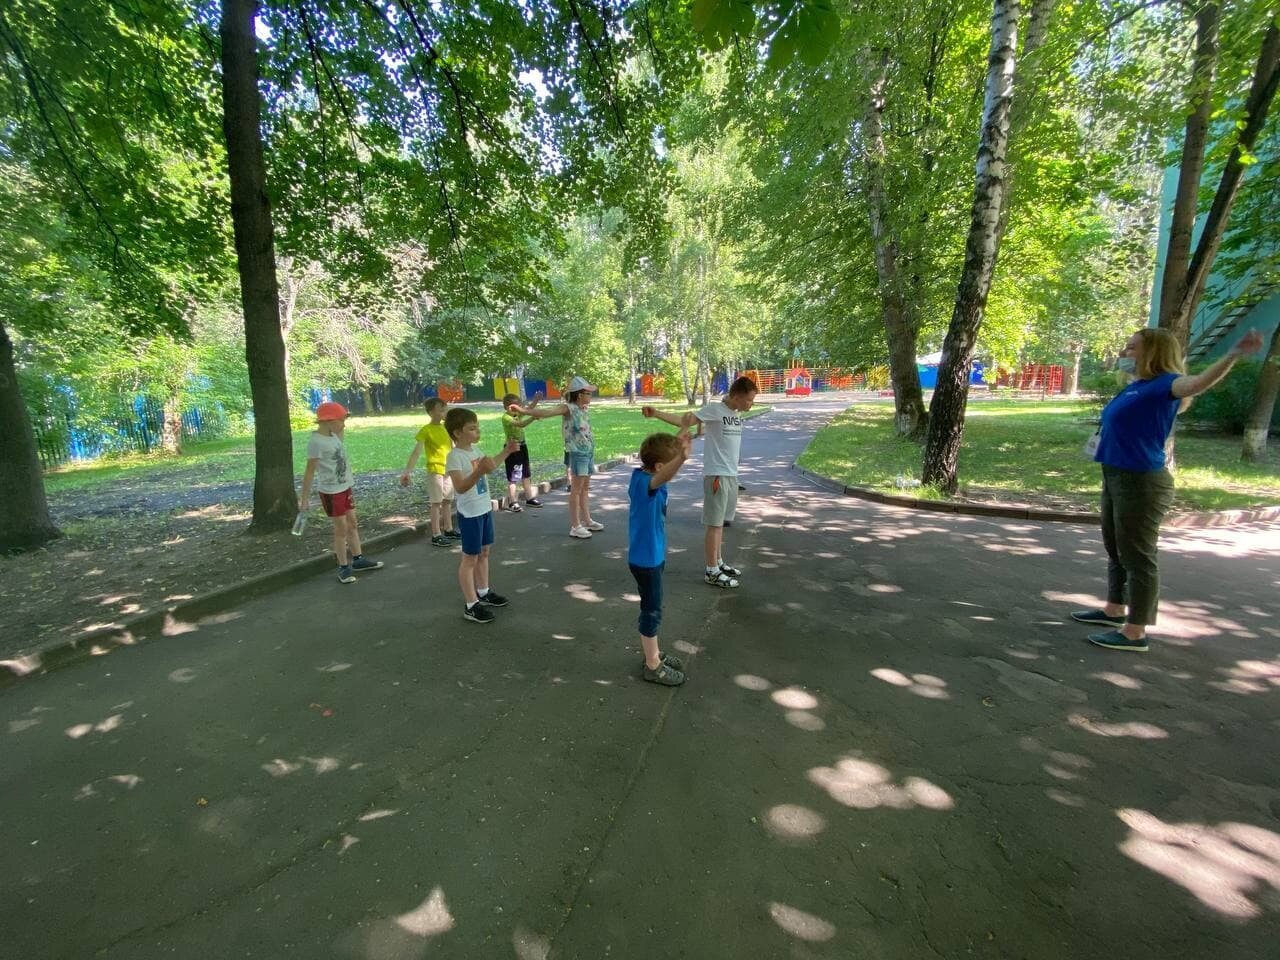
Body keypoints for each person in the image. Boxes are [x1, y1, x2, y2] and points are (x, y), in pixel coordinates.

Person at [1071, 326, 1264, 652]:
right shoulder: (1137, 387)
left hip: (1142, 481)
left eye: (1131, 348)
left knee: (1138, 554)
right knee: (1116, 546)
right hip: (1115, 474)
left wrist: (1233, 354)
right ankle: (1114, 610)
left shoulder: (1165, 385)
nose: (1123, 354)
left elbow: (1198, 383)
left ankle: (1136, 632)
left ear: (1153, 353)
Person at [644, 375, 758, 587]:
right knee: (714, 524)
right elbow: (684, 421)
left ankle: (719, 561)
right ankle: (711, 570)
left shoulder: (734, 413)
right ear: (737, 396)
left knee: (721, 522)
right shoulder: (715, 410)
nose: (751, 404)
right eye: (749, 400)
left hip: (731, 475)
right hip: (717, 475)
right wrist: (656, 413)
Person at [628, 430, 694, 686]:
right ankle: (652, 665)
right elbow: (660, 478)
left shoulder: (641, 474)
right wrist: (681, 460)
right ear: (658, 467)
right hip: (647, 561)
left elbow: (661, 467)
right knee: (651, 611)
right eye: (671, 465)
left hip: (650, 556)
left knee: (652, 607)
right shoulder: (648, 484)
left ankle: (652, 652)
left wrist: (679, 442)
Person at [444, 407, 520, 623]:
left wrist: (507, 451)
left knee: (485, 552)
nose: (478, 431)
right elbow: (459, 487)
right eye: (472, 428)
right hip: (469, 514)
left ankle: (484, 592)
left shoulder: (474, 450)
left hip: (484, 508)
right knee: (470, 558)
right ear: (458, 433)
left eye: (477, 427)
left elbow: (490, 465)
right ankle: (470, 604)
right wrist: (479, 471)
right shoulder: (454, 457)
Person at [299, 401, 384, 583]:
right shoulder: (316, 442)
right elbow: (309, 471)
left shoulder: (334, 435)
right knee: (341, 529)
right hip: (331, 491)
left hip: (345, 487)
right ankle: (343, 567)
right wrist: (304, 499)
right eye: (341, 420)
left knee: (352, 523)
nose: (344, 424)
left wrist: (342, 415)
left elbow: (340, 430)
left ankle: (358, 559)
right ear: (328, 421)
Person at [514, 376, 602, 538]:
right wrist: (524, 411)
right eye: (588, 393)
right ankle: (575, 526)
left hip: (588, 452)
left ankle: (587, 521)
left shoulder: (583, 408)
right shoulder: (568, 408)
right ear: (579, 394)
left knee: (584, 488)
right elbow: (547, 412)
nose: (591, 396)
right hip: (578, 454)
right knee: (576, 490)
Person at [399, 396, 462, 548]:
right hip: (435, 470)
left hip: (448, 470)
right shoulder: (426, 430)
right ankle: (436, 534)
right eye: (440, 410)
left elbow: (454, 448)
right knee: (436, 502)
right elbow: (416, 452)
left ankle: (448, 529)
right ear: (430, 412)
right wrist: (408, 471)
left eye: (444, 409)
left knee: (447, 500)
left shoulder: (446, 429)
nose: (443, 412)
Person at [500, 392, 545, 512]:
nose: (518, 410)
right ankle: (513, 502)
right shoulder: (506, 417)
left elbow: (528, 409)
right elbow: (521, 424)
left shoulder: (516, 414)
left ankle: (529, 498)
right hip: (512, 449)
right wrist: (533, 418)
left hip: (522, 447)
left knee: (526, 474)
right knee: (513, 476)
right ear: (507, 407)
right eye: (515, 407)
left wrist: (536, 399)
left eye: (519, 407)